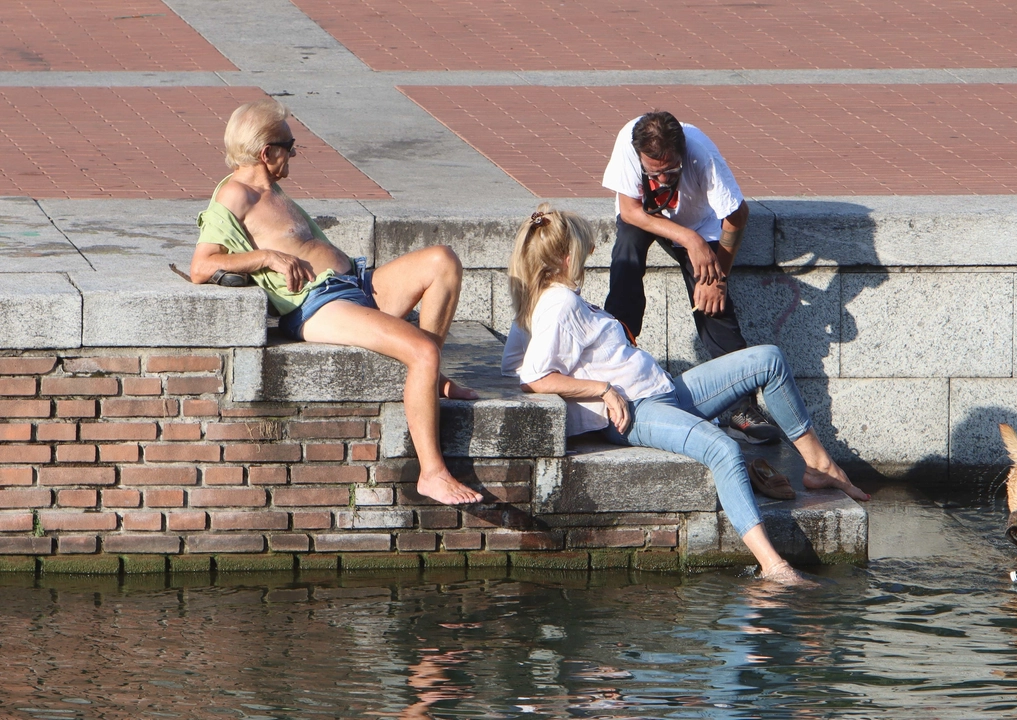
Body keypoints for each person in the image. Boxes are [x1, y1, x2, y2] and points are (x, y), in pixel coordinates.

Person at [502, 205, 869, 586]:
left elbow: (511, 364)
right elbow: (534, 375)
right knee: (722, 449)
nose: (588, 258)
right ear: (565, 258)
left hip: (663, 392)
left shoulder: (545, 300)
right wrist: (600, 391)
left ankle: (819, 466)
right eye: (584, 251)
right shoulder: (559, 304)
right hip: (638, 411)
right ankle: (774, 568)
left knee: (768, 360)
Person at [189, 98, 482, 506]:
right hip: (319, 305)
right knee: (422, 351)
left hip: (355, 282)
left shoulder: (270, 190)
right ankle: (431, 473)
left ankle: (429, 381)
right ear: (266, 151)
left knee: (442, 260)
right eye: (290, 146)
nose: (294, 153)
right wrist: (266, 257)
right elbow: (202, 265)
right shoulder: (235, 195)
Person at [602, 110, 781, 444]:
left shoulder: (702, 155)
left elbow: (738, 215)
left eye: (671, 171)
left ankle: (743, 408)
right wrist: (688, 239)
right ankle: (615, 353)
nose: (663, 178)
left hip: (700, 221)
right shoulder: (628, 142)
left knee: (715, 306)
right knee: (626, 251)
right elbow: (629, 210)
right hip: (649, 217)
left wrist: (717, 279)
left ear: (682, 154)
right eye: (653, 172)